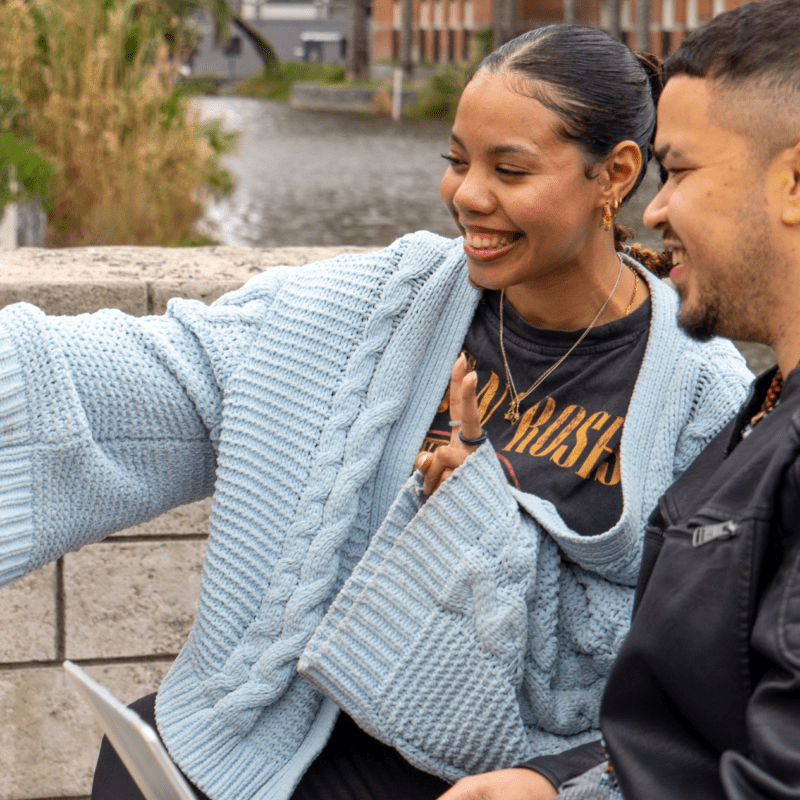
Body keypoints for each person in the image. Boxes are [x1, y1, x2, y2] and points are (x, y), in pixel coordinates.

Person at [0, 24, 751, 800]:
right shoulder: (387, 305)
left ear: (615, 175)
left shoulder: (706, 402)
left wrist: (481, 514)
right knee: (137, 755)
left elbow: (684, 682)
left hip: (499, 776)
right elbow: (179, 370)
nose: (467, 195)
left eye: (510, 169)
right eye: (456, 161)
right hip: (294, 721)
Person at [438, 1, 800, 798]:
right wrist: (551, 780)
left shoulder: (724, 411)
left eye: (682, 172)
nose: (657, 211)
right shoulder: (762, 415)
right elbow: (692, 726)